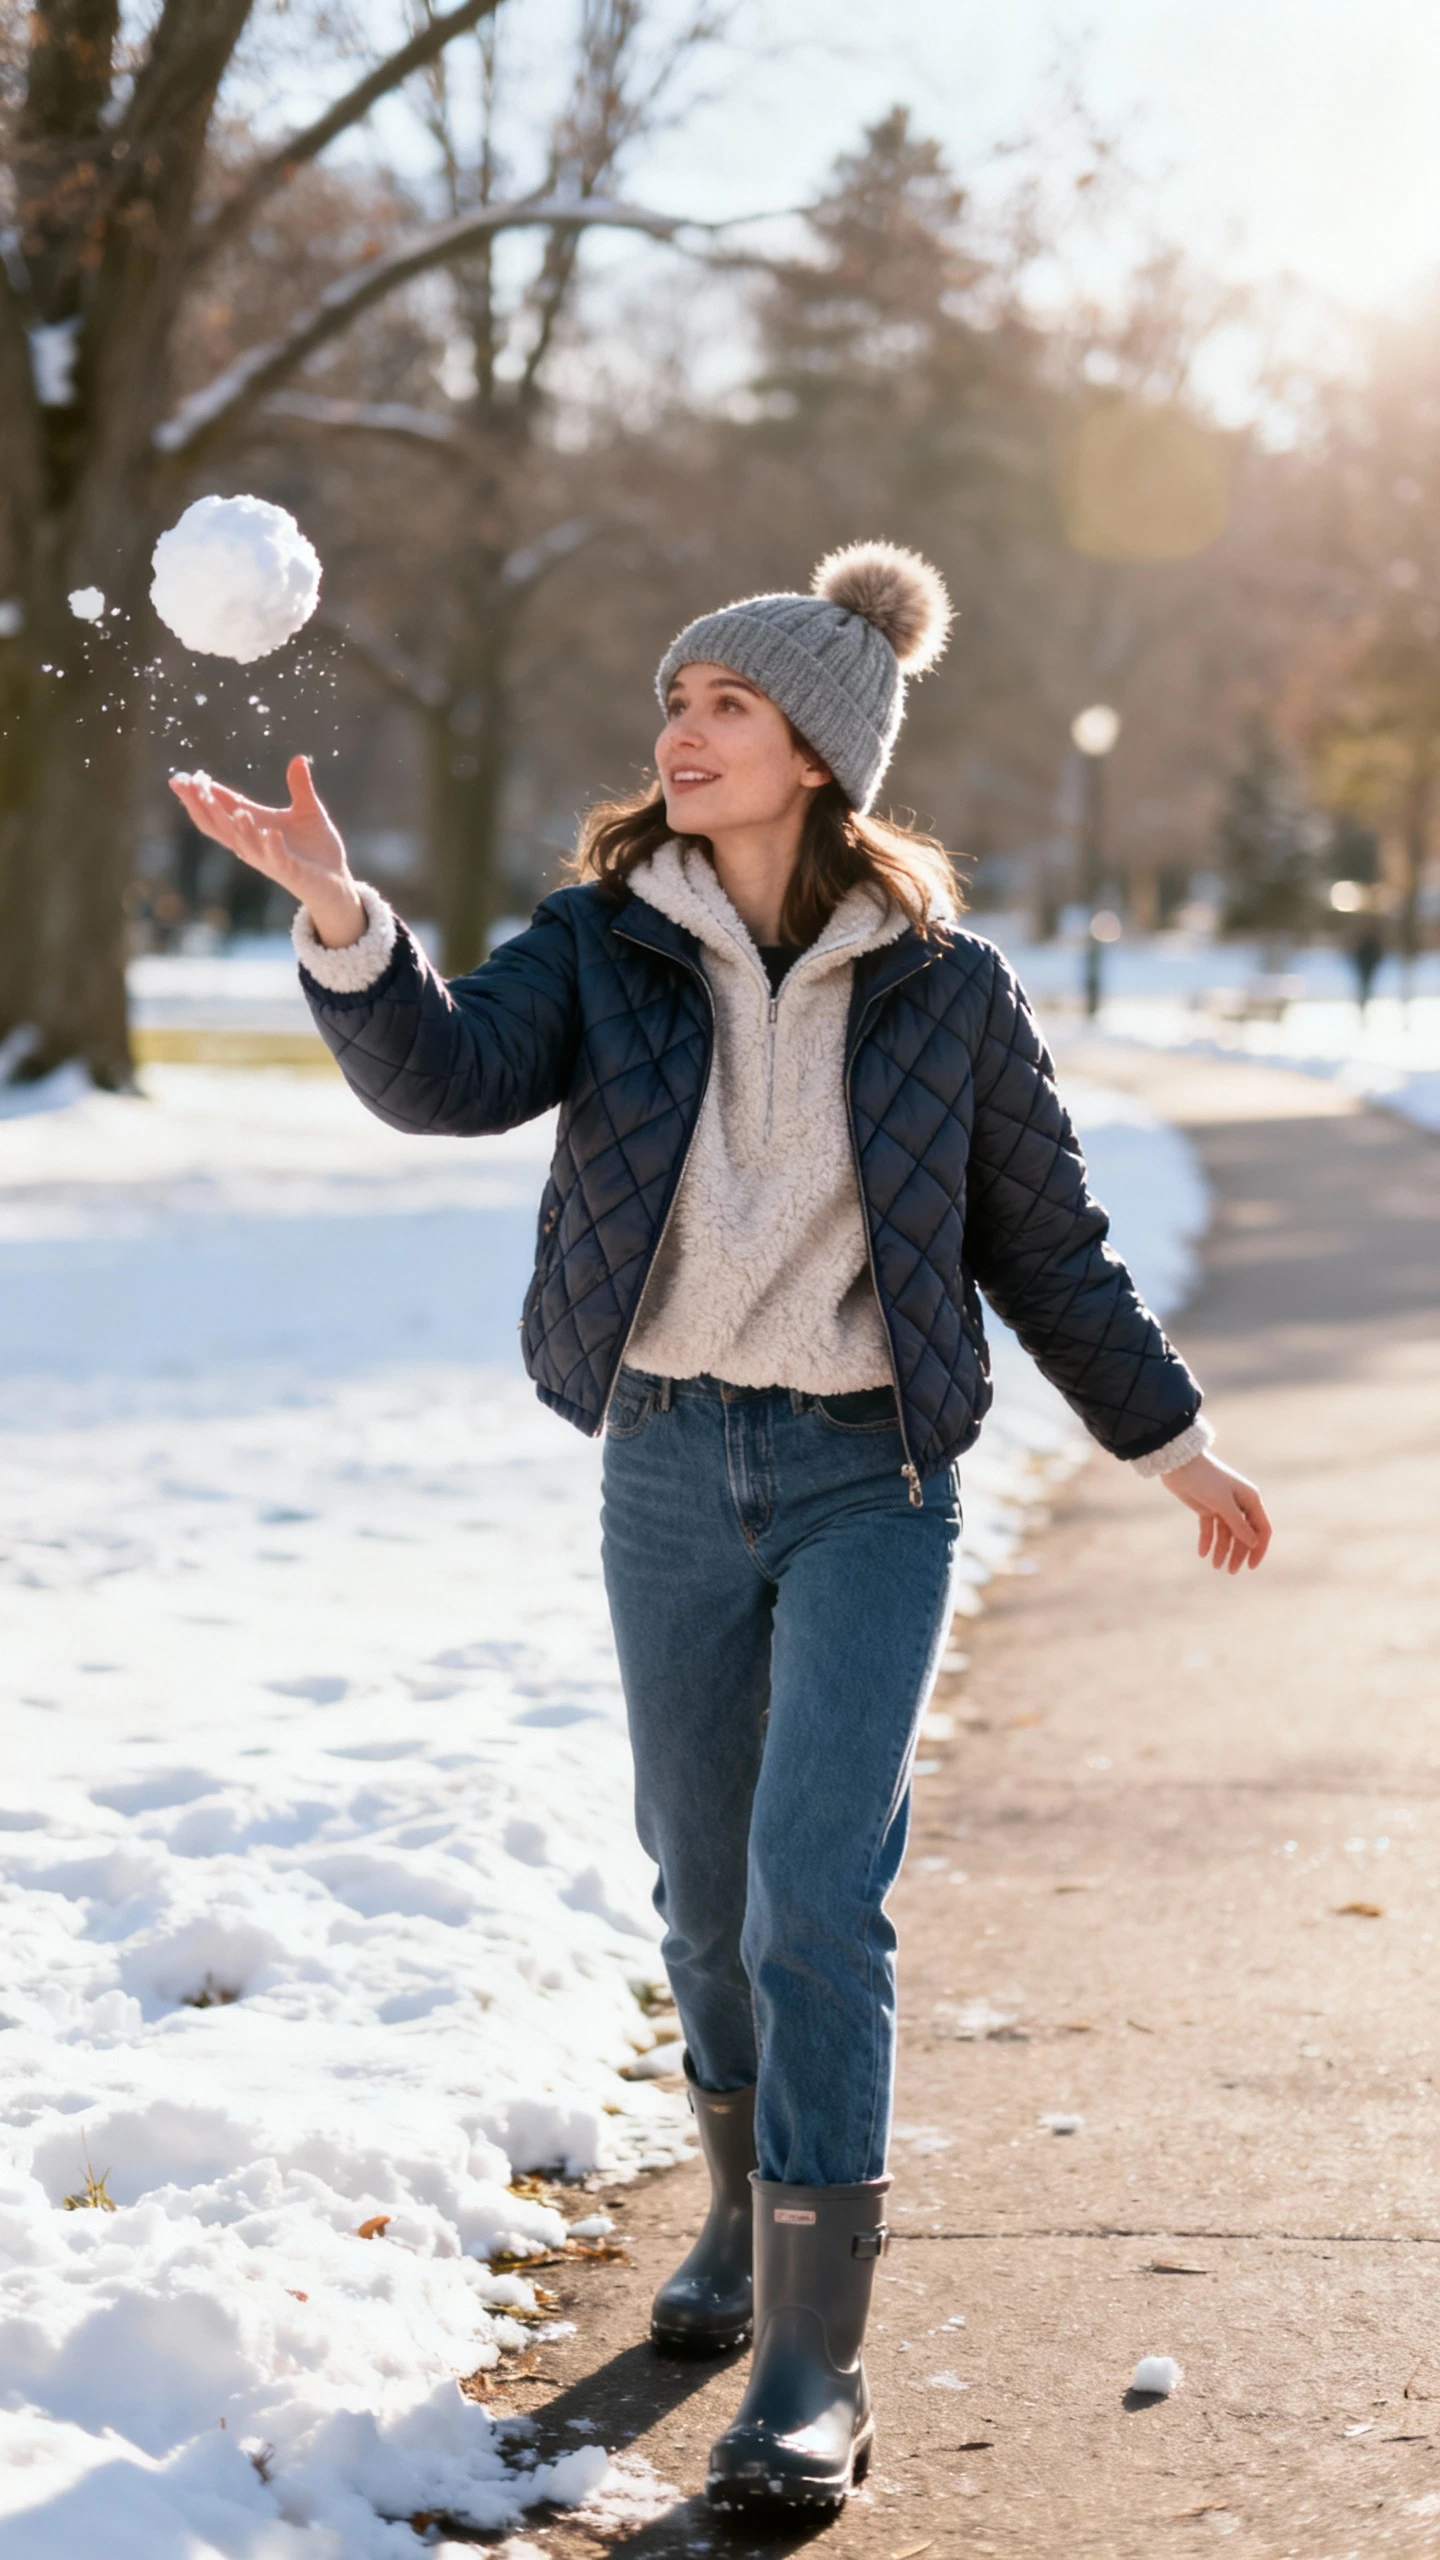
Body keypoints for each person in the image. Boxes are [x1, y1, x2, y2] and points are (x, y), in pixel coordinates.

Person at [171, 541, 1271, 2515]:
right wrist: (342, 913)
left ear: (821, 751)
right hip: (669, 1463)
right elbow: (452, 1074)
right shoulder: (605, 944)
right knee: (699, 1884)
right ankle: (734, 2220)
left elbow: (1050, 1249)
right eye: (673, 701)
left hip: (873, 1481)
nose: (680, 730)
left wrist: (1170, 1440)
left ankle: (810, 2365)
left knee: (809, 1890)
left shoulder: (948, 989)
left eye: (725, 705)